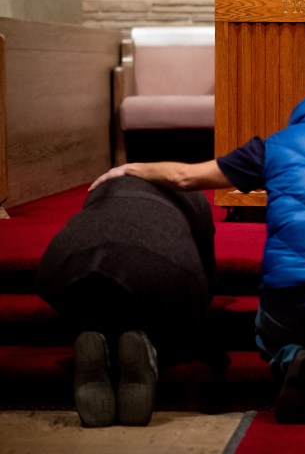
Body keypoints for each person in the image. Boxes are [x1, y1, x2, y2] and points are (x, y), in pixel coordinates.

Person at [89, 87, 305, 424]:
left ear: (302, 112)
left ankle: (290, 358)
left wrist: (132, 168)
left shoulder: (274, 145)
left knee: (264, 324)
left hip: (287, 301)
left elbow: (186, 176)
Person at [36, 175, 217, 428]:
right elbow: (207, 274)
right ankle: (148, 344)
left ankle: (93, 332)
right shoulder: (192, 191)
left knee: (97, 286)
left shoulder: (105, 182)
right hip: (159, 263)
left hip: (66, 258)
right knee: (161, 293)